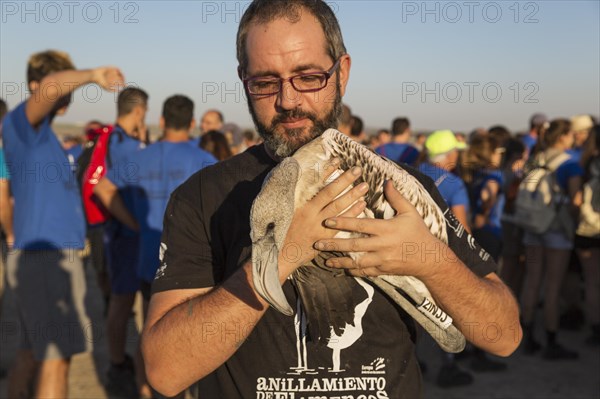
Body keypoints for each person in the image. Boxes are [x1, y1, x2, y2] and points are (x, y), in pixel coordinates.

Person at [141, 2, 521, 398]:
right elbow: (165, 372)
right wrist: (280, 257)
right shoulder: (205, 197)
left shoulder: (406, 187)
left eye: (309, 77)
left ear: (342, 72)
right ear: (243, 80)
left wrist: (429, 259)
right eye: (265, 82)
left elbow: (505, 336)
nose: (288, 100)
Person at [2, 49, 124, 398]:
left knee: (31, 355)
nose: (69, 95)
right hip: (46, 260)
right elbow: (52, 87)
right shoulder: (22, 125)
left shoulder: (41, 137)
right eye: (65, 86)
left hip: (41, 257)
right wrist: (93, 75)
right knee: (57, 359)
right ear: (35, 86)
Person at [93, 87, 148, 397]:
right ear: (139, 111)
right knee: (122, 302)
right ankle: (118, 366)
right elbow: (105, 189)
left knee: (125, 302)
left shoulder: (115, 139)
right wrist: (135, 224)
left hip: (124, 236)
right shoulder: (125, 145)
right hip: (127, 238)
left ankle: (121, 364)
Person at [520, 119, 583, 360]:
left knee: (532, 282)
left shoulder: (535, 159)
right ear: (564, 136)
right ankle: (552, 340)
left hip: (532, 226)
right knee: (553, 286)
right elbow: (576, 201)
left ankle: (527, 337)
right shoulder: (570, 164)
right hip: (556, 229)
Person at [417, 130, 473, 387]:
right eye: (455, 151)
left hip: (409, 252)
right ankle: (448, 366)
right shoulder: (453, 183)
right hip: (441, 256)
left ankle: (415, 360)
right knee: (445, 312)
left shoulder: (408, 172)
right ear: (448, 154)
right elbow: (462, 230)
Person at [574, 124, 600, 345]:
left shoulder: (584, 164)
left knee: (592, 282)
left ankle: (594, 327)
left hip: (586, 231)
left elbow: (576, 200)